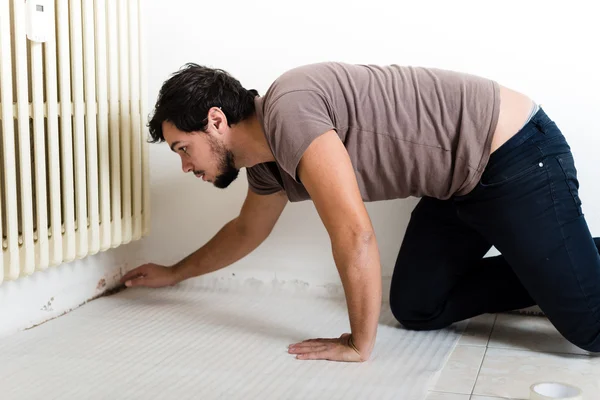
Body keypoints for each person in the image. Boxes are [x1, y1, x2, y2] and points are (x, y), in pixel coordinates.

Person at [121, 61, 600, 362]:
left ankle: (573, 271)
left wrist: (358, 342)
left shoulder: (288, 109)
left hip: (511, 154)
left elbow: (354, 233)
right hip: (457, 187)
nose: (185, 166)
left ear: (216, 121)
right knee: (417, 306)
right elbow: (246, 230)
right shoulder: (268, 168)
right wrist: (175, 272)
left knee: (589, 330)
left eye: (183, 149)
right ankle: (570, 266)